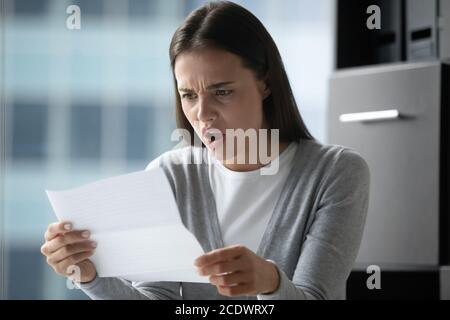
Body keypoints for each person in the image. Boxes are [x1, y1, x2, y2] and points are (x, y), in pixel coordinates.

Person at [40, 1, 370, 300]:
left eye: (222, 92)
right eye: (189, 95)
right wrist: (90, 275)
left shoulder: (335, 173)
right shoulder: (168, 175)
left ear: (265, 83)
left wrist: (270, 281)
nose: (203, 114)